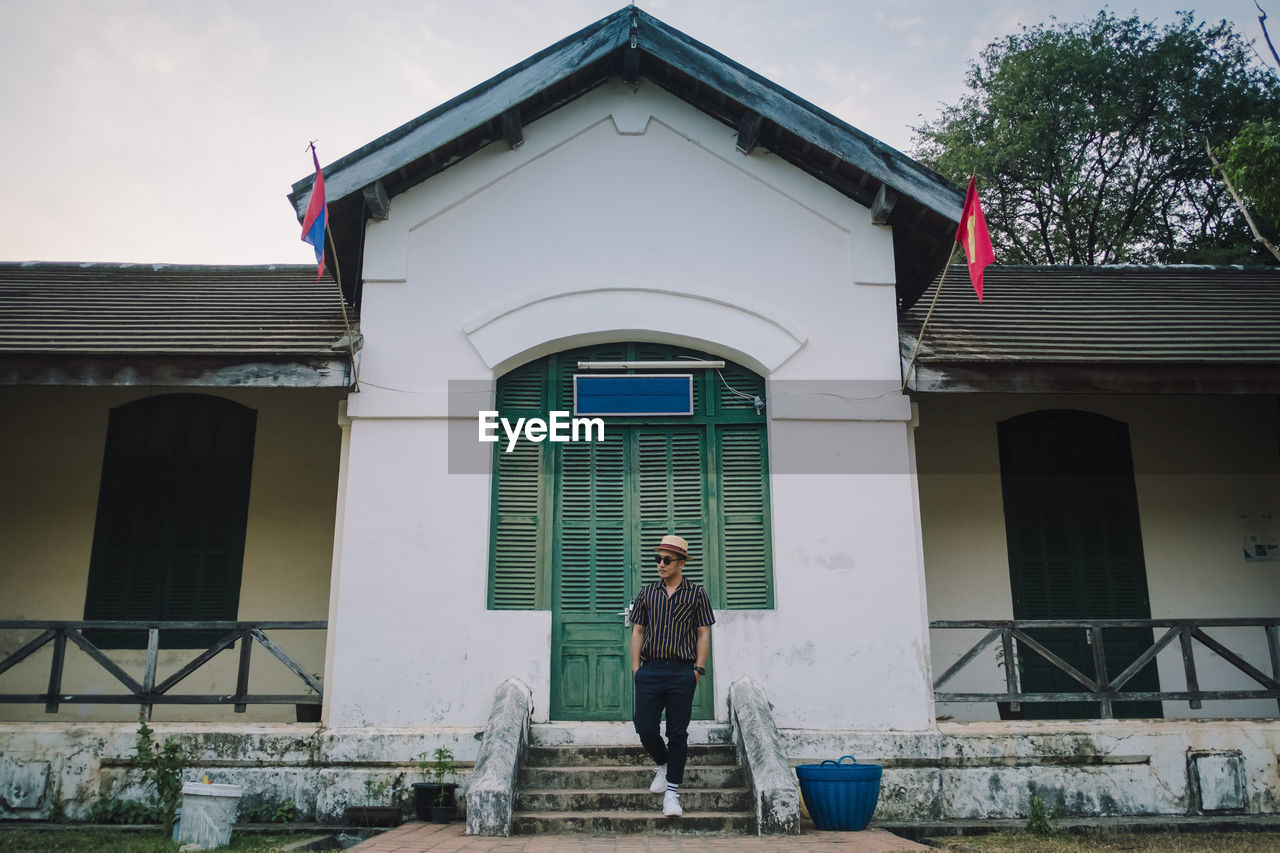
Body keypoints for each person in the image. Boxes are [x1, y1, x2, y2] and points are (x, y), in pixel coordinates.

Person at [629, 533, 714, 818]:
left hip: (681, 671)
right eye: (658, 559)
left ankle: (672, 795)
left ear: (680, 563)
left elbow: (704, 632)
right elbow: (638, 630)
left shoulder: (697, 594)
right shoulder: (647, 593)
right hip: (650, 670)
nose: (660, 564)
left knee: (677, 733)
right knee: (645, 727)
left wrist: (698, 669)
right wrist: (636, 669)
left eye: (666, 560)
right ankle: (664, 764)